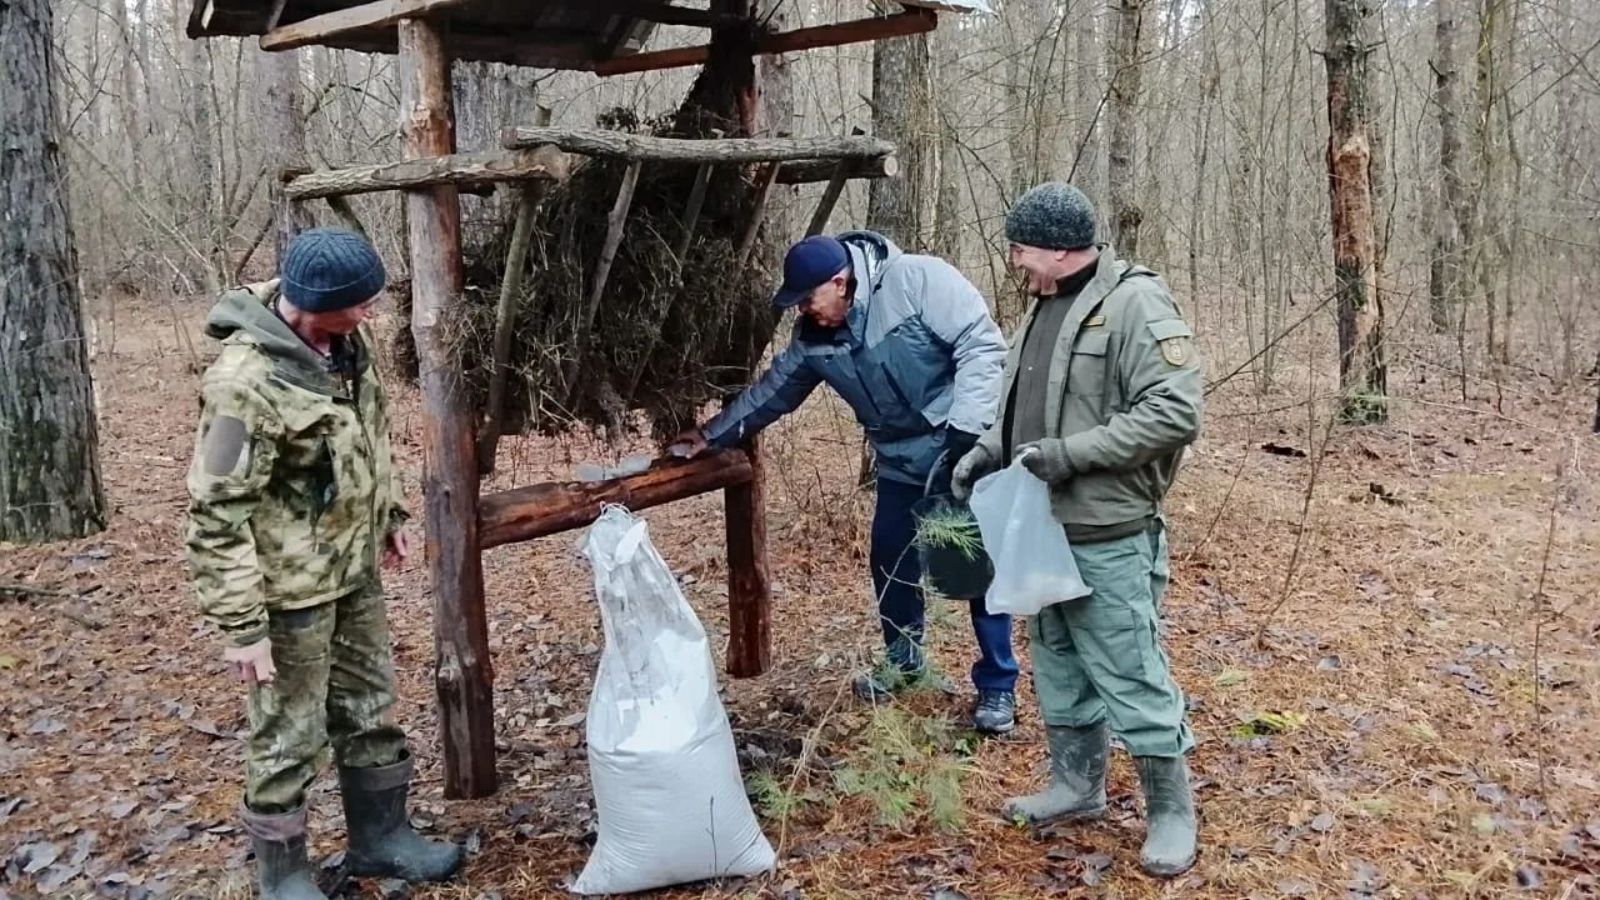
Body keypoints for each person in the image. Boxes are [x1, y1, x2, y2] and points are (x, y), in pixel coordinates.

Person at [185, 229, 463, 899]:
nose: (373, 312)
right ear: (316, 304)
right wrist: (242, 627)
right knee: (289, 733)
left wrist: (388, 514)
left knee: (370, 708)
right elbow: (216, 512)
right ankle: (284, 877)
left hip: (352, 574)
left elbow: (370, 433)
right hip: (288, 596)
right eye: (361, 302)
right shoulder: (242, 385)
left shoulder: (347, 345)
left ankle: (381, 840)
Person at [951, 183, 1203, 876]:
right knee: (1058, 662)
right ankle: (1076, 787)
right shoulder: (1044, 304)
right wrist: (986, 451)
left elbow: (1175, 412)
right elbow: (1025, 406)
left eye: (1020, 248)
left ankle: (1171, 813)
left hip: (1107, 529)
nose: (1014, 261)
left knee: (1130, 669)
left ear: (1060, 249)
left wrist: (1073, 455)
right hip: (1041, 526)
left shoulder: (1135, 304)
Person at [672, 231, 1019, 733]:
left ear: (840, 282)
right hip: (897, 461)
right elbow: (774, 391)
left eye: (808, 299)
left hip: (955, 451)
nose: (803, 311)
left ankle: (997, 685)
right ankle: (904, 663)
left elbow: (981, 345)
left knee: (969, 567)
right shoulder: (815, 338)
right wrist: (712, 435)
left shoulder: (916, 282)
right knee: (890, 561)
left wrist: (967, 432)